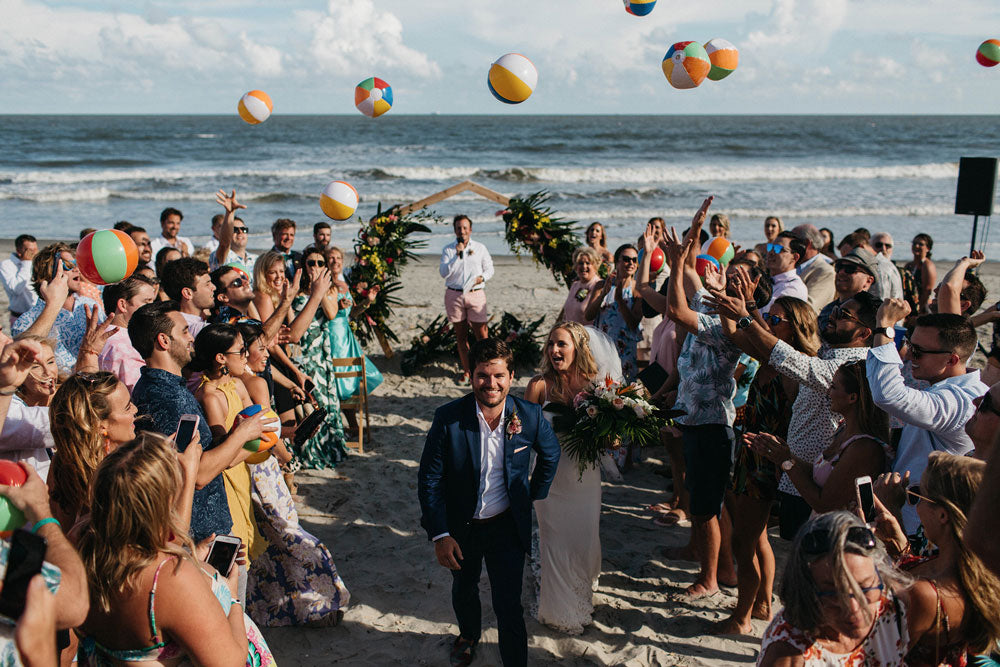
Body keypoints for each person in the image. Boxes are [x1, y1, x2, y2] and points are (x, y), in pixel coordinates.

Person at [418, 338, 560, 667]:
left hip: (506, 526)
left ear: (511, 377)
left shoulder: (531, 415)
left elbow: (551, 456)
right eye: (483, 375)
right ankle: (468, 635)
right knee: (464, 589)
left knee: (509, 603)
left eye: (498, 375)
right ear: (471, 376)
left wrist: (532, 494)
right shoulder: (448, 419)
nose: (491, 384)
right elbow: (429, 479)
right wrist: (440, 534)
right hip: (461, 526)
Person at [75, 433, 275, 666]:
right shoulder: (169, 578)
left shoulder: (86, 551)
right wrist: (232, 600)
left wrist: (192, 558)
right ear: (160, 509)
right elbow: (229, 662)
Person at [707, 287, 880, 540]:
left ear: (865, 332)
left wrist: (746, 316)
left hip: (816, 482)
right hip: (798, 473)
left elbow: (792, 360)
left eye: (844, 315)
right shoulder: (830, 353)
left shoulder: (852, 367)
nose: (833, 315)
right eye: (836, 309)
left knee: (806, 556)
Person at [663, 199, 758, 598]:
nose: (724, 277)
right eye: (724, 272)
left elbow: (672, 308)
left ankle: (712, 579)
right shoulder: (708, 303)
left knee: (709, 507)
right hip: (693, 417)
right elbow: (687, 274)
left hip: (714, 425)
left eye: (736, 278)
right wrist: (689, 239)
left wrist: (683, 263)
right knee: (702, 503)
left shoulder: (729, 326)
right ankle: (712, 568)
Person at [235, 321, 351, 627]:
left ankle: (272, 608)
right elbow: (266, 436)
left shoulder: (234, 382)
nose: (267, 353)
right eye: (261, 348)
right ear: (242, 353)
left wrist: (289, 432)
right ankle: (321, 599)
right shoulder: (255, 384)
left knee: (266, 541)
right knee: (290, 532)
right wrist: (287, 453)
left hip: (243, 469)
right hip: (263, 467)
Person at [716, 296, 820, 635]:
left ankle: (742, 617)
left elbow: (797, 421)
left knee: (744, 542)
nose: (767, 326)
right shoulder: (769, 358)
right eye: (768, 319)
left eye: (775, 321)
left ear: (796, 327)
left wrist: (783, 463)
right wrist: (725, 300)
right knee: (757, 536)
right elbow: (734, 334)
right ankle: (761, 603)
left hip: (768, 460)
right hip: (752, 454)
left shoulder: (797, 369)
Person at [129, 301, 269, 544]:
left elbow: (213, 459)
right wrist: (243, 434)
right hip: (198, 539)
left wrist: (248, 438)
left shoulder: (168, 387)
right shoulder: (166, 397)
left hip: (207, 530)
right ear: (164, 341)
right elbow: (199, 473)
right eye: (184, 331)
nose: (191, 338)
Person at [867, 302, 987, 535]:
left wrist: (884, 328)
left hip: (922, 527)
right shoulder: (947, 388)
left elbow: (888, 395)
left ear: (951, 360)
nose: (909, 355)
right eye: (910, 345)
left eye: (919, 351)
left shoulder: (960, 402)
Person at [525, 322, 609, 634]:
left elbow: (607, 437)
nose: (555, 350)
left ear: (577, 348)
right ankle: (557, 607)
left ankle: (581, 589)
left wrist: (611, 437)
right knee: (554, 540)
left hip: (585, 477)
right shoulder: (539, 386)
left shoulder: (595, 386)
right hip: (551, 479)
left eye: (562, 344)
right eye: (551, 344)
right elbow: (521, 435)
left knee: (584, 537)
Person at [885, 453, 1000, 666]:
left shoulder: (925, 596)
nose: (916, 505)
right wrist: (899, 547)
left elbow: (877, 658)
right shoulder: (975, 576)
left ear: (943, 515)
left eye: (919, 495)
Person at [757, 512, 912, 666]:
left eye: (864, 588)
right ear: (805, 591)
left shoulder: (898, 606)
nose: (853, 607)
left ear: (880, 575)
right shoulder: (788, 657)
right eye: (834, 593)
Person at [747, 359, 891, 513]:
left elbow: (824, 504)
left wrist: (786, 462)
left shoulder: (864, 448)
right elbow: (823, 476)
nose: (828, 392)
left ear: (852, 398)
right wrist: (784, 454)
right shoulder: (844, 430)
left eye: (834, 387)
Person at [190, 324, 269, 578]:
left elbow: (260, 423)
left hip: (243, 473)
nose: (246, 356)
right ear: (221, 358)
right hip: (225, 482)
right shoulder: (210, 396)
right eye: (242, 351)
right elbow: (224, 454)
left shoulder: (237, 385)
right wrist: (255, 441)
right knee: (237, 552)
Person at [47, 371, 139, 529]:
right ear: (100, 425)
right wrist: (186, 471)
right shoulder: (114, 477)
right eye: (127, 407)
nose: (135, 410)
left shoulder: (63, 461)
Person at [287, 249, 352, 468]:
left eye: (320, 262)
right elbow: (290, 327)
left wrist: (320, 289)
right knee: (309, 402)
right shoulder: (295, 292)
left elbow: (332, 314)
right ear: (303, 265)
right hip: (301, 354)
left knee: (325, 403)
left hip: (320, 356)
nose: (315, 266)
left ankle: (328, 448)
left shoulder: (331, 290)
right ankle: (310, 452)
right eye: (311, 262)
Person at [12, 242, 102, 374]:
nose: (77, 269)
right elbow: (22, 358)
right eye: (69, 266)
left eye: (77, 264)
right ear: (48, 273)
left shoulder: (89, 304)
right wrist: (53, 304)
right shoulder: (27, 320)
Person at [324, 246, 383, 431]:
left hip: (346, 335)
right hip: (334, 335)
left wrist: (368, 301)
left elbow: (352, 312)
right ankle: (352, 425)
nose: (335, 261)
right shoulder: (324, 284)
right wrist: (338, 308)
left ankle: (352, 424)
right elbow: (329, 314)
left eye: (338, 258)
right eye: (331, 258)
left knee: (360, 376)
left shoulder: (344, 284)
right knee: (342, 380)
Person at [440, 214, 494, 382]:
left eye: (464, 228)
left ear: (470, 230)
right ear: (454, 230)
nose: (461, 231)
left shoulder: (480, 248)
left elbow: (489, 268)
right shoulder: (449, 250)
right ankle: (467, 370)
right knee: (461, 336)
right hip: (454, 295)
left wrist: (482, 278)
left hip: (475, 293)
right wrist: (457, 255)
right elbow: (444, 273)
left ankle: (487, 368)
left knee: (482, 335)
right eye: (458, 228)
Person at [584, 243, 643, 382]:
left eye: (634, 260)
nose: (631, 263)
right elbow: (588, 316)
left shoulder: (637, 289)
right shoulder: (602, 285)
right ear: (617, 261)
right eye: (627, 259)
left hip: (625, 350)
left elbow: (634, 323)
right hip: (601, 346)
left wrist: (620, 301)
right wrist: (603, 294)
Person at [98, 275, 157, 392]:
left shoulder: (101, 336)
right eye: (147, 302)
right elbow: (140, 393)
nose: (153, 309)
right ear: (123, 305)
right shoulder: (123, 346)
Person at [817, 247, 878, 331]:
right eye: (838, 267)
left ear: (868, 281)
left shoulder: (875, 315)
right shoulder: (827, 309)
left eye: (850, 269)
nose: (841, 272)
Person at [160, 257, 214, 339]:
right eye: (207, 284)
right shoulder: (195, 328)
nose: (214, 287)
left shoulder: (169, 323)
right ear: (187, 293)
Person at [211, 189, 259, 276]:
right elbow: (224, 243)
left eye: (244, 230)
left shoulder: (257, 259)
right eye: (235, 230)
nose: (240, 232)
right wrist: (230, 213)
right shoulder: (222, 257)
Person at [792, 224, 836, 311]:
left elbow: (809, 308)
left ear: (807, 243)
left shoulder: (825, 271)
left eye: (793, 241)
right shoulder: (792, 266)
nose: (788, 245)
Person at [763, 231, 809, 311]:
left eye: (778, 249)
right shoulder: (765, 280)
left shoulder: (794, 288)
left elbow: (769, 319)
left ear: (795, 257)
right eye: (770, 247)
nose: (771, 253)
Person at [0, 234, 38, 328]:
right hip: (19, 316)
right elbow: (16, 289)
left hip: (38, 315)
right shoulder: (7, 265)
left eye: (35, 249)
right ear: (19, 251)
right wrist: (27, 262)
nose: (34, 253)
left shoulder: (37, 263)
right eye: (30, 250)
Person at [561, 247, 602, 326]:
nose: (584, 266)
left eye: (588, 263)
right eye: (580, 263)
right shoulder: (575, 285)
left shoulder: (598, 286)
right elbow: (566, 314)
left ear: (595, 265)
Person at [906, 233, 938, 316]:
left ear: (928, 248)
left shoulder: (927, 265)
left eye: (921, 244)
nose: (916, 246)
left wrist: (919, 311)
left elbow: (927, 290)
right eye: (914, 243)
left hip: (922, 307)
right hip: (910, 305)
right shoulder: (909, 265)